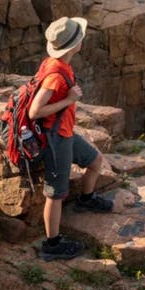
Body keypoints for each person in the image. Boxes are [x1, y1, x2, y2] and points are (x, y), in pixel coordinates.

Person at [29, 16, 113, 261]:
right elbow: (34, 111)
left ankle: (86, 199)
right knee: (55, 193)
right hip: (55, 139)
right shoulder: (55, 75)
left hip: (64, 132)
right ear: (75, 45)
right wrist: (69, 100)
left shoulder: (57, 63)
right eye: (81, 37)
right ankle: (52, 244)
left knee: (95, 161)